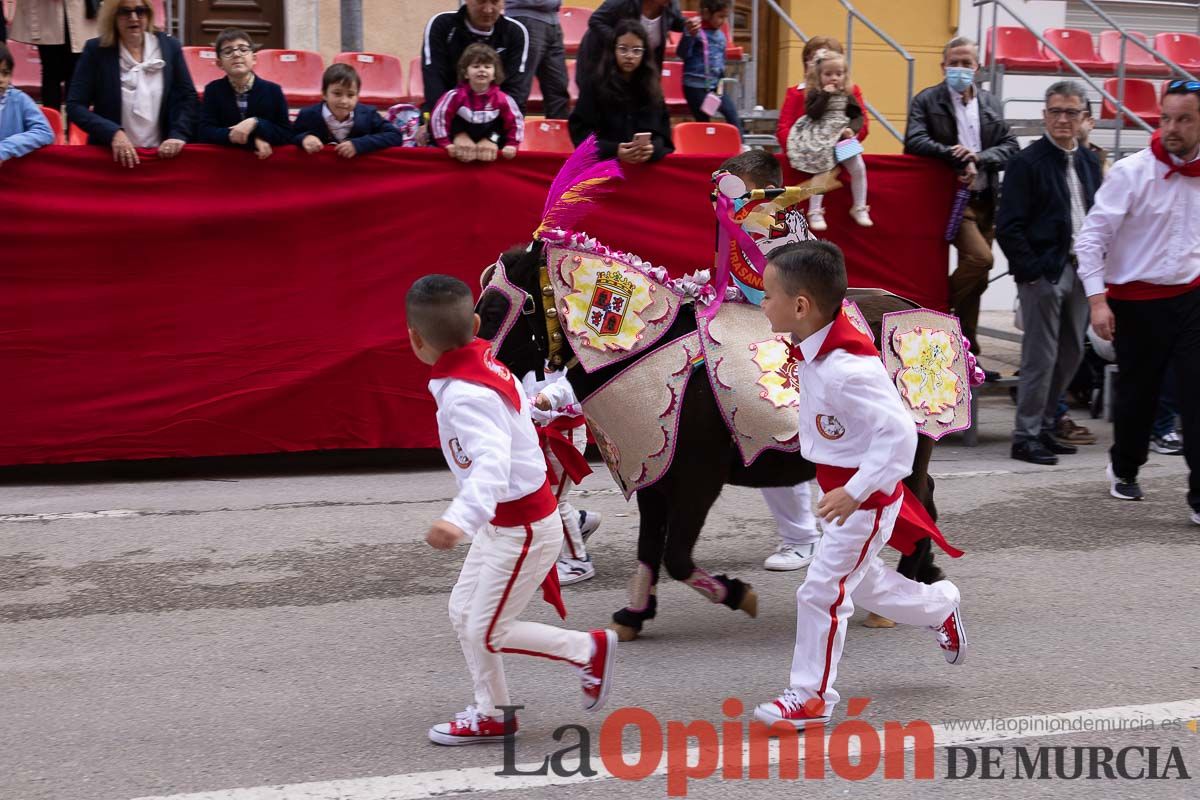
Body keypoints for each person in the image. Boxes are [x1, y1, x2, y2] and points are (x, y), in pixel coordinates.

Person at [752, 241, 966, 729]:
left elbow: (901, 432)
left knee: (820, 591)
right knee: (862, 582)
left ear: (800, 306)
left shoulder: (847, 368)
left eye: (767, 296)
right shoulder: (821, 347)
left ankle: (811, 697)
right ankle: (939, 605)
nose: (762, 304)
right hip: (846, 495)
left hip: (862, 500)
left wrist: (857, 491)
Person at [407, 274, 616, 745]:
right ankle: (494, 712)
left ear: (415, 339)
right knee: (465, 613)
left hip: (521, 525)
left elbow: (492, 466)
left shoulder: (466, 392)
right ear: (477, 323)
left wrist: (457, 519)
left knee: (486, 628)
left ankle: (587, 649)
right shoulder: (482, 363)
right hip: (509, 523)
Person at [1076, 80, 1200, 527]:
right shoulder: (1132, 172)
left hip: (1191, 296)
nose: (1172, 128)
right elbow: (1091, 240)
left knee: (1196, 394)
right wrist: (1097, 302)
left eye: (1184, 119)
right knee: (1138, 399)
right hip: (1137, 300)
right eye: (1166, 118)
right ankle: (1125, 466)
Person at [716, 149, 822, 571]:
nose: (729, 197)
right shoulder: (751, 220)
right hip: (767, 332)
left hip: (797, 341)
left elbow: (778, 296)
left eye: (737, 188)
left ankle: (804, 537)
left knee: (778, 429)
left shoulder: (776, 226)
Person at [996, 81, 1102, 467]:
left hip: (1081, 269)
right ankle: (1025, 436)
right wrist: (1032, 273)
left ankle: (1044, 426)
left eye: (1071, 112)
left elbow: (1098, 217)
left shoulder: (1090, 161)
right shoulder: (1027, 163)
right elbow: (1008, 226)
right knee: (1040, 357)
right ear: (1045, 115)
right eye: (1055, 111)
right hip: (1044, 273)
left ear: (1082, 118)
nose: (1062, 119)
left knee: (1071, 353)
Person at [904, 36, 1018, 381]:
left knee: (978, 281)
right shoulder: (927, 99)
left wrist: (980, 157)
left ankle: (969, 357)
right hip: (951, 198)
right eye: (954, 62)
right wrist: (952, 152)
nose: (961, 69)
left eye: (967, 63)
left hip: (986, 198)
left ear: (977, 68)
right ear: (943, 66)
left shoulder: (990, 104)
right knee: (981, 260)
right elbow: (914, 140)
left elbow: (1011, 145)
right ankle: (935, 310)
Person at [66, 0, 197, 167]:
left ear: (148, 14)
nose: (133, 18)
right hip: (111, 157)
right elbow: (75, 105)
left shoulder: (170, 47)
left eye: (140, 11)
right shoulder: (96, 51)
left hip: (162, 157)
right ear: (112, 16)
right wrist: (112, 133)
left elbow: (188, 97)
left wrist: (178, 134)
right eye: (124, 12)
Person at [785, 47, 871, 229]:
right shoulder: (815, 94)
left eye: (839, 74)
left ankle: (860, 206)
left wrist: (851, 129)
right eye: (828, 74)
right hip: (822, 137)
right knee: (822, 169)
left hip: (842, 137)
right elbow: (813, 113)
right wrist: (825, 94)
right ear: (819, 76)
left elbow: (857, 116)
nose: (834, 78)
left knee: (858, 167)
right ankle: (815, 211)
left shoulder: (847, 95)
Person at [531, 370, 603, 585]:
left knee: (553, 500)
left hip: (563, 432)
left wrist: (547, 397)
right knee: (545, 495)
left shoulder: (564, 341)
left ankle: (577, 561)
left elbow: (574, 380)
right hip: (541, 427)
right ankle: (580, 521)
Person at [568, 19, 673, 164]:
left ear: (644, 54)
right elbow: (580, 134)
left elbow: (663, 134)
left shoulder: (652, 88)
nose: (629, 56)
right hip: (604, 167)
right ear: (613, 50)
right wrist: (614, 150)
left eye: (636, 50)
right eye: (623, 49)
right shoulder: (594, 84)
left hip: (643, 171)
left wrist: (652, 149)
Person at [421, 0, 530, 117]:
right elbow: (434, 84)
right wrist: (457, 131)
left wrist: (493, 134)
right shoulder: (441, 25)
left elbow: (516, 93)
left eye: (495, 2)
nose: (488, 9)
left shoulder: (515, 32)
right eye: (481, 1)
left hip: (496, 124)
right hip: (446, 118)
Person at [196, 28, 291, 159]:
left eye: (243, 49)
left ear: (254, 58)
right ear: (219, 63)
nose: (237, 55)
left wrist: (256, 123)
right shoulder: (213, 90)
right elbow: (204, 132)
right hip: (226, 163)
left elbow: (285, 133)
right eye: (228, 51)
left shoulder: (273, 91)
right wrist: (247, 138)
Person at [576, 0, 698, 92]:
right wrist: (620, 42)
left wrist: (688, 24)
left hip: (640, 67)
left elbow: (676, 21)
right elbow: (596, 20)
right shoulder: (623, 2)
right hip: (603, 63)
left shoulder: (670, 4)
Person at [430, 43, 522, 163]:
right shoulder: (454, 96)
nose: (482, 70)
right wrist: (445, 143)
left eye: (487, 67)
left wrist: (512, 144)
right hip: (459, 150)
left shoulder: (503, 99)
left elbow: (516, 122)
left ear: (495, 74)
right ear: (466, 73)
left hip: (490, 147)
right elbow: (438, 117)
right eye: (476, 66)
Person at [775, 36, 868, 153]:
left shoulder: (850, 91)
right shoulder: (796, 93)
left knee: (857, 166)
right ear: (806, 63)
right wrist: (801, 150)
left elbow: (862, 123)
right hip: (803, 155)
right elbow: (783, 129)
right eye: (813, 59)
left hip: (841, 152)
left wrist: (846, 136)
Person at [293, 63, 403, 158]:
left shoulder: (368, 114)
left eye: (350, 95)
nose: (344, 101)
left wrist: (359, 144)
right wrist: (304, 138)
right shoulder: (307, 114)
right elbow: (289, 135)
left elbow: (395, 136)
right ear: (324, 94)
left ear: (357, 96)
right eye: (337, 93)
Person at [9, 0, 98, 113]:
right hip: (48, 14)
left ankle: (75, 127)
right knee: (51, 73)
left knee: (76, 74)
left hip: (78, 11)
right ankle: (52, 126)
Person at [677, 0, 740, 134]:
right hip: (694, 86)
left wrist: (720, 83)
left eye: (726, 17)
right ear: (706, 13)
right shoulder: (694, 31)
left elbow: (721, 62)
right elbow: (682, 53)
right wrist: (689, 35)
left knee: (732, 113)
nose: (723, 21)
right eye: (720, 16)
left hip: (715, 87)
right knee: (703, 122)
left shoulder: (721, 36)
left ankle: (741, 145)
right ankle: (705, 148)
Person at [505, 0, 569, 119]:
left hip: (553, 20)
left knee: (558, 91)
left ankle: (557, 136)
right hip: (525, 18)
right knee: (518, 89)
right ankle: (511, 135)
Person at [0, 42, 56, 163]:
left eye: (5, 73)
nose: (1, 79)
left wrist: (5, 149)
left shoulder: (20, 100)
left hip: (13, 176)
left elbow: (45, 132)